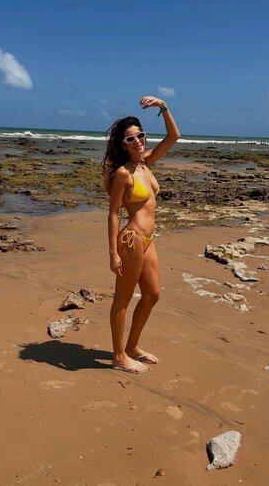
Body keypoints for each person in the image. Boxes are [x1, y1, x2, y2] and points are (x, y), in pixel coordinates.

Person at [102, 95, 180, 373]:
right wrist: (113, 253)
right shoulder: (123, 173)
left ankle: (133, 346)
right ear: (122, 144)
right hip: (131, 240)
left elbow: (173, 137)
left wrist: (163, 107)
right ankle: (118, 356)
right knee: (122, 299)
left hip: (148, 241)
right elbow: (113, 214)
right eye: (130, 139)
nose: (138, 141)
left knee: (152, 294)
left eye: (141, 135)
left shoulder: (146, 163)